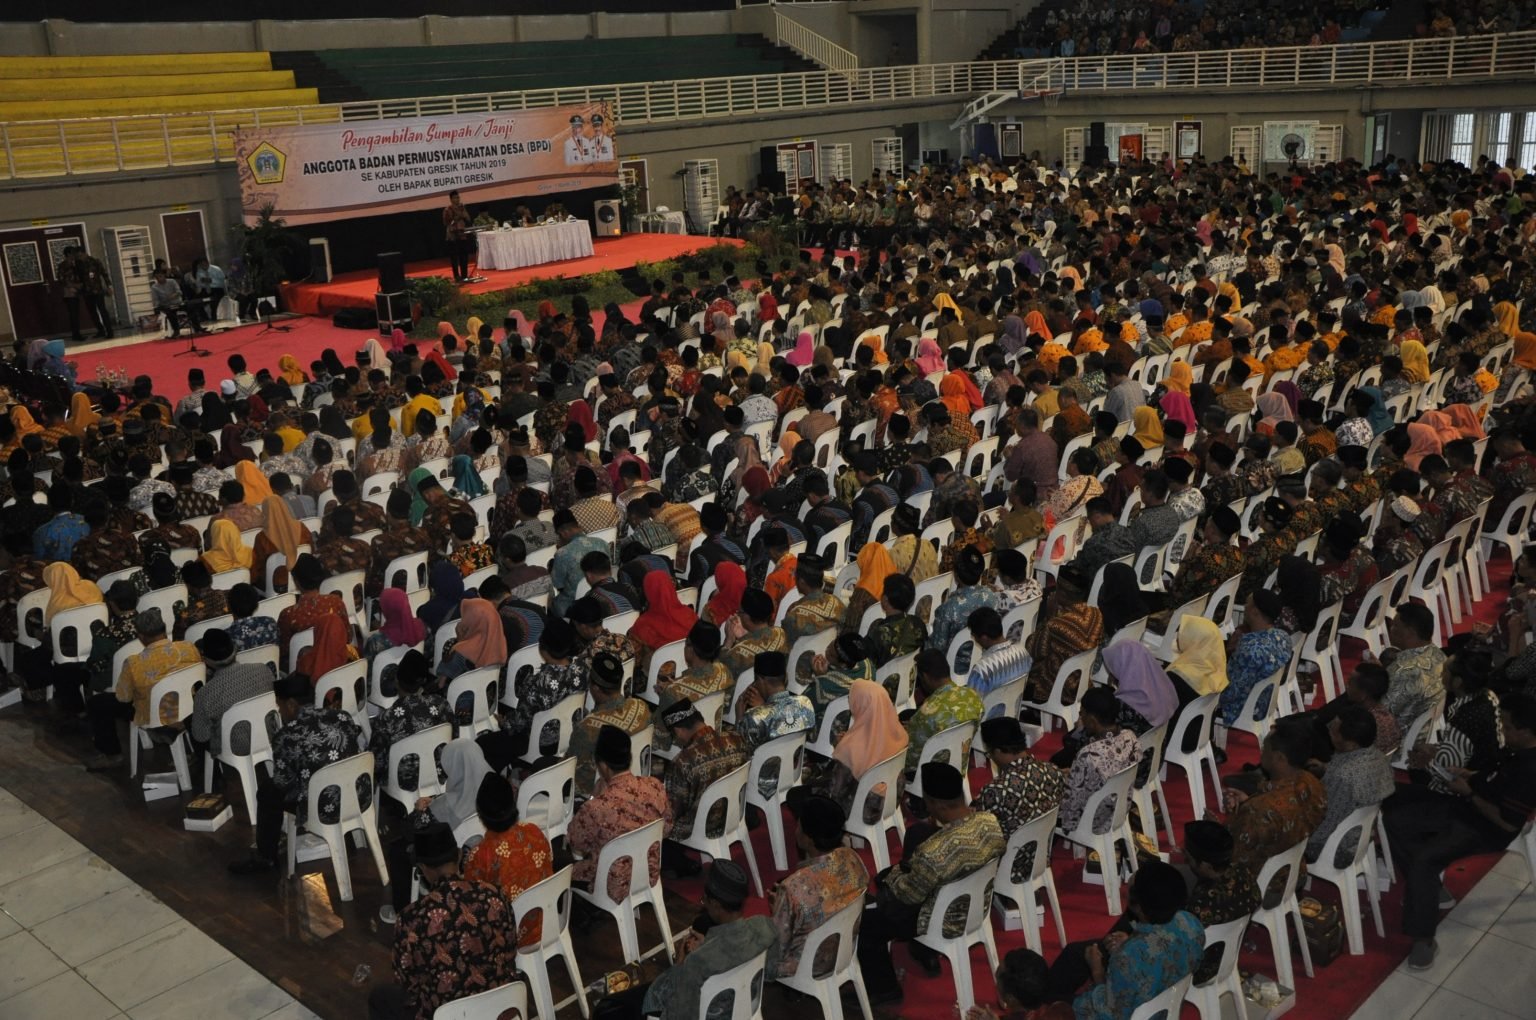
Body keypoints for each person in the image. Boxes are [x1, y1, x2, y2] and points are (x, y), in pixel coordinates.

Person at [1384, 692, 1536, 971]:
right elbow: (1493, 777)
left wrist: (1469, 794)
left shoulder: (1529, 770)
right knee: (1395, 815)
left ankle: (1423, 939)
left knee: (1425, 859)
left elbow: (1507, 823)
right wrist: (1468, 775)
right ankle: (1429, 887)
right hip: (1468, 806)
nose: (1502, 730)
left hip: (1485, 828)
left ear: (1525, 731)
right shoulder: (1516, 751)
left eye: (1507, 726)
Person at [856, 761, 1005, 1006]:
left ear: (936, 804)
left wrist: (890, 877)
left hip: (939, 918)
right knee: (916, 837)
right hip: (976, 906)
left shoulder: (932, 853)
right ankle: (924, 952)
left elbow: (906, 896)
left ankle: (885, 989)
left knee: (866, 923)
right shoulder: (991, 823)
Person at [367, 823, 516, 1020]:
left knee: (380, 997)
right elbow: (510, 951)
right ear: (459, 856)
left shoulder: (411, 918)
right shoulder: (494, 895)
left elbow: (406, 981)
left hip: (444, 1013)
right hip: (499, 1004)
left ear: (423, 868)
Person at [601, 861, 779, 1020]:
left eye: (705, 900)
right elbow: (771, 972)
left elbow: (680, 1015)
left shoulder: (697, 963)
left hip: (700, 1007)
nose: (704, 904)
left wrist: (681, 964)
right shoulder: (764, 926)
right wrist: (708, 944)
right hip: (741, 1006)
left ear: (716, 904)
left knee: (609, 1007)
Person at [229, 671, 366, 875]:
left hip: (323, 806)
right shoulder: (342, 716)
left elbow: (283, 783)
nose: (280, 711)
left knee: (268, 791)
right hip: (358, 795)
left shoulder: (286, 736)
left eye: (280, 706)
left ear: (292, 704)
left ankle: (266, 857)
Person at [1219, 722, 1326, 902]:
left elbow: (1232, 861)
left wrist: (1227, 821)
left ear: (1279, 758)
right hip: (1294, 871)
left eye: (1265, 748)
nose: (1261, 752)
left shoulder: (1258, 811)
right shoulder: (1312, 783)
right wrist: (1247, 802)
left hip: (1260, 886)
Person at [84, 608, 201, 770]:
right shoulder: (189, 648)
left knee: (98, 703)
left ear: (141, 636)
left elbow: (123, 698)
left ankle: (112, 754)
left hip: (157, 717)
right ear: (164, 628)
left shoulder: (134, 663)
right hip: (189, 709)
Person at [567, 725, 672, 902]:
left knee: (560, 867)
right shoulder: (655, 786)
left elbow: (577, 843)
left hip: (611, 885)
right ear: (629, 757)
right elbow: (667, 828)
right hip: (648, 874)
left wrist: (593, 797)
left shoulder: (597, 806)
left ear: (602, 765)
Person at [769, 795, 869, 978]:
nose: (795, 830)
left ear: (808, 839)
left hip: (807, 966)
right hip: (845, 949)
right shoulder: (853, 859)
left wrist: (780, 908)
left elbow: (778, 949)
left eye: (798, 825)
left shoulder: (792, 888)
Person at [460, 772, 554, 948]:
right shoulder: (534, 831)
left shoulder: (479, 856)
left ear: (480, 815)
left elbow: (473, 905)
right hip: (546, 920)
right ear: (513, 805)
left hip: (510, 936)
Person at [974, 717, 1064, 883]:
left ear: (998, 751)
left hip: (1008, 867)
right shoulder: (1052, 771)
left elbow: (979, 835)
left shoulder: (996, 791)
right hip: (1041, 856)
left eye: (989, 753)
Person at [1307, 703, 1395, 866]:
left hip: (1334, 848)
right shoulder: (1378, 757)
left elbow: (1324, 826)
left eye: (1334, 731)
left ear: (1351, 743)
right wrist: (1326, 769)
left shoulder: (1343, 777)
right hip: (1362, 836)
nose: (1329, 731)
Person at [568, 651, 652, 797]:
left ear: (595, 688)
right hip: (636, 777)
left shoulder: (587, 727)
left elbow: (575, 775)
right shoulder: (641, 707)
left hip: (602, 790)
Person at [1058, 688, 1142, 832]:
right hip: (1119, 809)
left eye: (1082, 714)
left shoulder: (1088, 755)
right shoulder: (1130, 737)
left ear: (1092, 720)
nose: (1080, 718)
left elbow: (1071, 806)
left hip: (1091, 820)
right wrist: (1074, 774)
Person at [905, 648, 983, 769]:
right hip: (958, 764)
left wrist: (908, 730)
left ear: (925, 677)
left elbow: (911, 756)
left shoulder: (926, 713)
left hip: (929, 771)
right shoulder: (973, 696)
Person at [1380, 604, 1447, 732]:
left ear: (1410, 633)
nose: (1391, 630)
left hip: (1401, 734)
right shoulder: (1440, 655)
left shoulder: (1403, 671)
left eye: (1395, 626)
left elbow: (1380, 714)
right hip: (1428, 728)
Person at [442, 190, 473, 283]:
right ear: (451, 199)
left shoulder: (462, 208)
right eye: (455, 198)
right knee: (454, 258)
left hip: (462, 235)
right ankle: (456, 276)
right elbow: (447, 223)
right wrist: (458, 216)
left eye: (458, 197)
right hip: (452, 236)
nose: (458, 199)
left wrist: (464, 214)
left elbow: (468, 219)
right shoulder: (447, 210)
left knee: (464, 256)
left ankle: (464, 275)